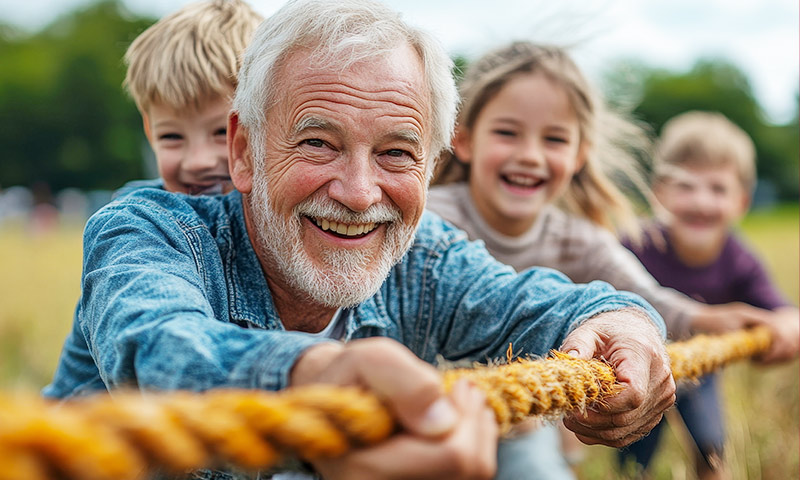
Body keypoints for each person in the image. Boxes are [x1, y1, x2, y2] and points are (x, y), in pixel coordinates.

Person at [46, 2, 677, 479]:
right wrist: (317, 376)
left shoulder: (425, 257)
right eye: (318, 142)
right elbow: (155, 344)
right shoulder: (149, 231)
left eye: (396, 152)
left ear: (430, 167)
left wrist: (626, 323)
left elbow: (535, 301)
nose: (357, 192)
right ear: (245, 150)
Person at [426, 42, 795, 479]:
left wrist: (709, 319)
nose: (529, 154)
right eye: (508, 133)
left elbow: (645, 296)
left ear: (578, 155)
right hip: (424, 412)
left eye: (554, 138)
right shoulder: (428, 216)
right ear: (464, 141)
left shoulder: (579, 240)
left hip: (518, 427)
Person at [43, 0, 262, 398]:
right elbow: (161, 343)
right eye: (172, 137)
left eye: (220, 134)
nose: (197, 162)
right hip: (93, 448)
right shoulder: (140, 225)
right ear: (148, 131)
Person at [618, 111, 800, 480]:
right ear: (659, 191)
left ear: (741, 201)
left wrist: (788, 326)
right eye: (686, 186)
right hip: (637, 368)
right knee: (635, 459)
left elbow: (781, 309)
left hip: (702, 371)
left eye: (717, 189)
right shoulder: (634, 245)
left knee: (712, 447)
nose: (701, 201)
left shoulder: (739, 258)